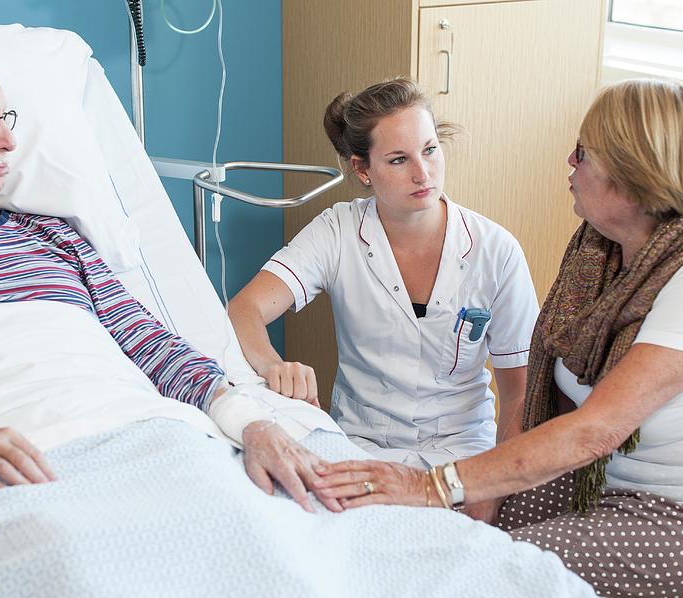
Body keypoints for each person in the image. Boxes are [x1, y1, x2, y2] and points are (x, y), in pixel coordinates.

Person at [314, 78, 683, 597]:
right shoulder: (604, 254)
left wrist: (432, 483)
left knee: (483, 571)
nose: (570, 163)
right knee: (438, 533)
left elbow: (593, 430)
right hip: (605, 482)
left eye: (584, 153)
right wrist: (464, 491)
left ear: (635, 174)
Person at [0, 49, 340, 514]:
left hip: (145, 437)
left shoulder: (51, 233)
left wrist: (250, 421)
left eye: (7, 120)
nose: (8, 140)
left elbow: (150, 345)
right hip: (4, 472)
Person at [229, 78, 539, 470]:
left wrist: (494, 484)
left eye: (430, 150)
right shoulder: (337, 232)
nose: (423, 174)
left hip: (464, 453)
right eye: (398, 159)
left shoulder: (496, 250)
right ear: (362, 170)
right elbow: (244, 310)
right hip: (362, 448)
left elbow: (520, 394)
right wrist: (274, 366)